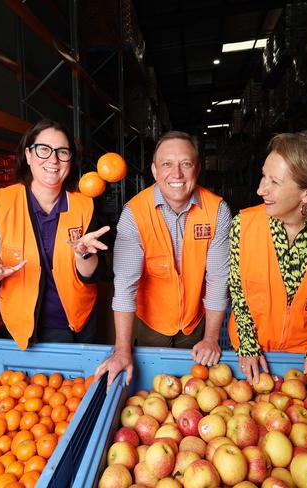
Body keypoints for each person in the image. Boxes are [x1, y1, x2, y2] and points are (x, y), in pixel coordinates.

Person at [95, 131, 231, 389]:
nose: (176, 174)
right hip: (152, 321)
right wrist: (122, 349)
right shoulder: (134, 214)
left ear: (197, 169)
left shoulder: (217, 211)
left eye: (186, 164)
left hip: (196, 321)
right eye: (167, 164)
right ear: (155, 171)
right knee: (153, 387)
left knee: (193, 388)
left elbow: (218, 280)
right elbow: (124, 286)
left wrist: (212, 338)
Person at [228, 128, 307, 390]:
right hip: (250, 353)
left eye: (274, 182)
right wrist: (247, 344)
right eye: (263, 176)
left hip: (303, 360)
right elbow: (239, 292)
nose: (260, 189)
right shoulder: (243, 225)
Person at [0, 119, 109, 350]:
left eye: (62, 152)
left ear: (70, 160)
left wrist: (83, 255)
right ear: (28, 155)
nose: (53, 160)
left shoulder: (85, 205)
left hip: (81, 322)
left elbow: (95, 274)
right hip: (27, 328)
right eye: (43, 150)